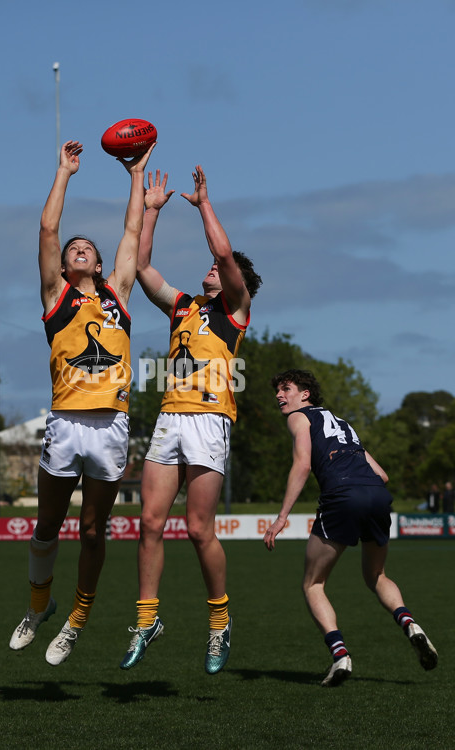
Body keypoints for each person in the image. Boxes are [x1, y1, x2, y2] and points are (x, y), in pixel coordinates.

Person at [9, 138, 154, 666]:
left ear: (97, 262)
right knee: (48, 525)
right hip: (66, 423)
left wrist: (136, 173)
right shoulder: (56, 298)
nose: (78, 248)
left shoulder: (118, 291)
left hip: (112, 426)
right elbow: (47, 229)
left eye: (86, 246)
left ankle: (77, 618)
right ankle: (37, 606)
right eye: (74, 248)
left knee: (93, 530)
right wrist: (65, 172)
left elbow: (133, 232)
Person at [119, 165, 261, 674]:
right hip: (170, 419)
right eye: (209, 267)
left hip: (209, 421)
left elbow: (223, 254)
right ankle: (146, 618)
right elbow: (140, 267)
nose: (211, 268)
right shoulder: (184, 307)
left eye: (218, 269)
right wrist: (152, 211)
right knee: (150, 522)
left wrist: (203, 204)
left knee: (199, 530)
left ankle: (220, 624)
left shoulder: (236, 310)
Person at [264, 369, 438, 687]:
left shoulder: (299, 418)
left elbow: (302, 464)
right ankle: (409, 622)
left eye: (285, 389)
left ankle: (340, 655)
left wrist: (281, 517)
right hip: (376, 494)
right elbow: (383, 475)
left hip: (342, 495)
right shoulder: (342, 424)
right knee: (377, 576)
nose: (278, 395)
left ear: (305, 395)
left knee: (313, 584)